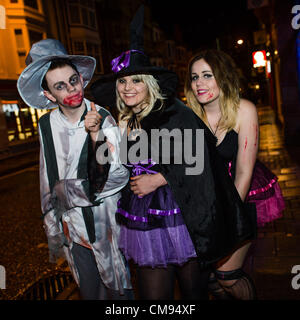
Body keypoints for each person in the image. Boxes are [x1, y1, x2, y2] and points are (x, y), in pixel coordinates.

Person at [88, 6, 256, 300]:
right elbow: (108, 169)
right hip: (142, 221)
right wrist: (95, 136)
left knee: (195, 294)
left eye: (136, 80)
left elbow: (199, 158)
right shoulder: (124, 120)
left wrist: (159, 179)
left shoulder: (173, 112)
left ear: (150, 83)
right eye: (123, 81)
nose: (129, 88)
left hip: (182, 215)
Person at [17, 39, 133, 300]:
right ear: (49, 95)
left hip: (104, 227)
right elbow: (47, 178)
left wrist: (69, 191)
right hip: (71, 229)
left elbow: (119, 175)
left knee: (117, 293)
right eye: (60, 86)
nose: (71, 89)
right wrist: (53, 227)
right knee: (89, 292)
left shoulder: (103, 118)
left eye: (73, 80)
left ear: (81, 78)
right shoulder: (46, 125)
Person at [185, 49, 285, 300]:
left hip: (241, 196)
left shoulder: (244, 109)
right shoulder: (189, 116)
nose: (199, 83)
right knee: (207, 279)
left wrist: (228, 218)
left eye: (207, 75)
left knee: (228, 276)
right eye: (194, 77)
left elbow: (243, 171)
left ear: (223, 77)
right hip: (205, 201)